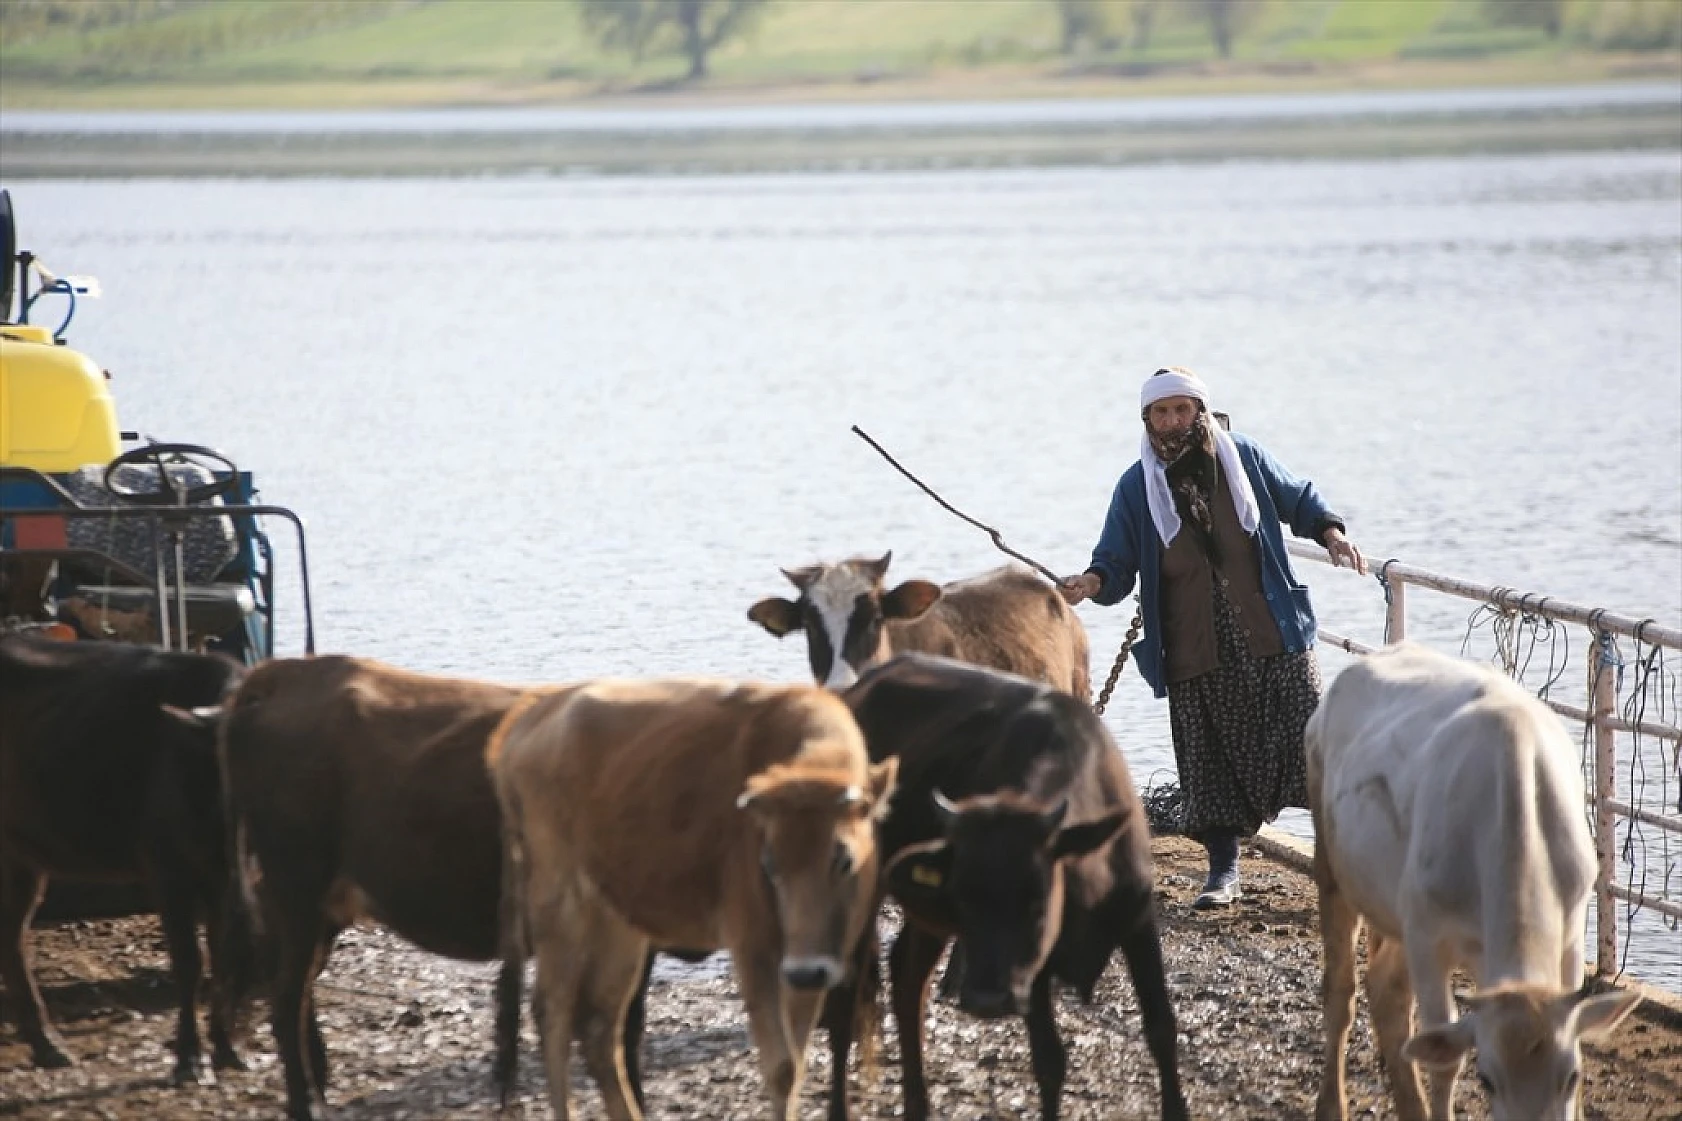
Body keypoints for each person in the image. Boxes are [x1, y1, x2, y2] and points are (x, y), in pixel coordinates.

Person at [1059, 367, 1366, 909]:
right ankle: (1224, 873)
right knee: (1209, 765)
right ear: (1147, 420)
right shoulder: (1137, 487)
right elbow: (1114, 560)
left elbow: (1297, 499)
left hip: (1273, 630)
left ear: (1200, 411)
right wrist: (1091, 582)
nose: (1174, 421)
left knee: (1314, 747)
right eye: (1162, 412)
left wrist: (1331, 532)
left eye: (1182, 409)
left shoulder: (1242, 456)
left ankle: (1347, 867)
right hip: (1193, 644)